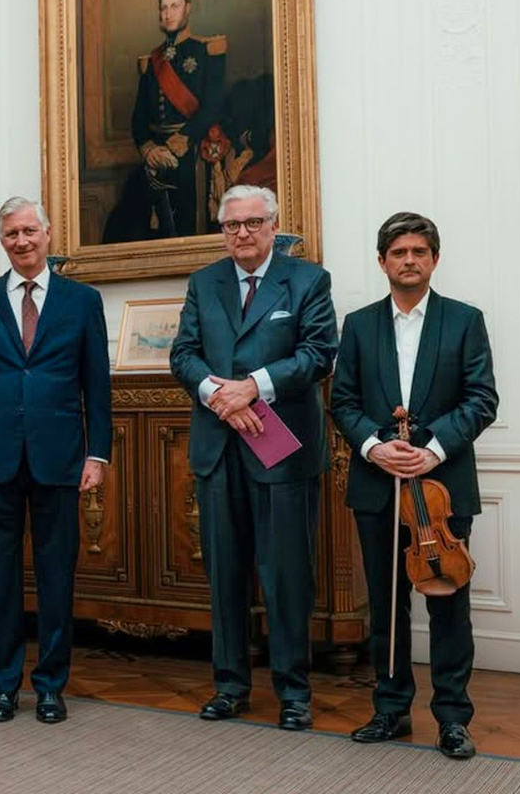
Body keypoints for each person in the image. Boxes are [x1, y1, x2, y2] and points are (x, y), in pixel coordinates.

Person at [169, 184, 337, 731]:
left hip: (282, 452)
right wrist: (221, 396)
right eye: (232, 225)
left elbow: (318, 353)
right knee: (225, 573)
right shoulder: (204, 282)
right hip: (220, 447)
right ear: (222, 230)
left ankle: (293, 692)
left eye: (253, 223)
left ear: (273, 225)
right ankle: (230, 687)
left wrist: (254, 387)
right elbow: (184, 355)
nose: (242, 233)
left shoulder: (308, 280)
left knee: (286, 574)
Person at [331, 212, 498, 760]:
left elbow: (481, 399)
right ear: (382, 261)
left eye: (418, 251)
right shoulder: (358, 325)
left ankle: (452, 718)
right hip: (378, 486)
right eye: (398, 252)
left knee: (449, 604)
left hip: (442, 488)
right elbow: (343, 403)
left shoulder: (464, 320)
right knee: (387, 605)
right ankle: (390, 709)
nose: (408, 260)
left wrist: (430, 450)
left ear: (434, 259)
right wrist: (376, 447)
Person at [0, 196, 112, 724]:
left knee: (57, 577)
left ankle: (50, 686)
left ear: (48, 233)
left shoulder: (82, 302)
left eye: (29, 231)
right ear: (2, 241)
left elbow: (96, 387)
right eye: (12, 233)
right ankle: (2, 685)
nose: (22, 241)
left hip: (60, 458)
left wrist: (98, 453)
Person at [104, 0, 226, 242]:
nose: (168, 13)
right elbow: (139, 119)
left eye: (174, 6)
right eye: (163, 8)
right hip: (157, 156)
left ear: (188, 9)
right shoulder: (151, 62)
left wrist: (184, 139)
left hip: (194, 150)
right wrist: (148, 150)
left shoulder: (206, 51)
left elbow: (215, 106)